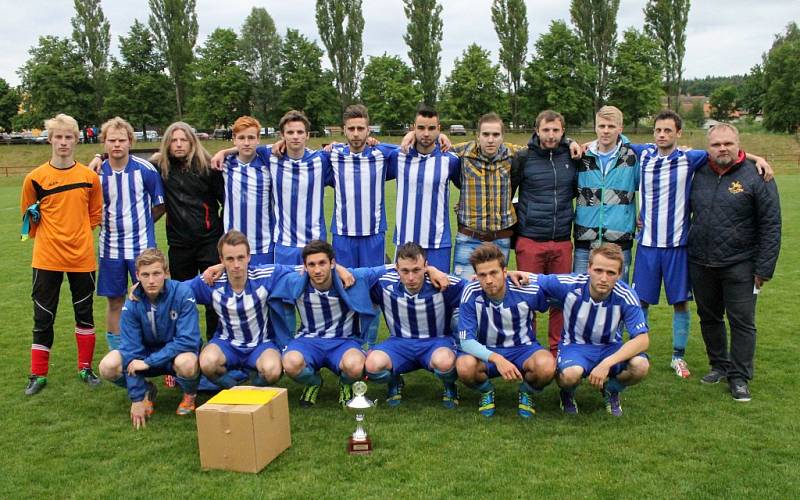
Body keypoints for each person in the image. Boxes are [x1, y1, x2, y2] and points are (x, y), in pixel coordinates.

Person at [631, 110, 773, 379]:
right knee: (641, 302)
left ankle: (678, 357)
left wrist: (758, 158)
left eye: (668, 131)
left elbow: (728, 152)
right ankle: (640, 352)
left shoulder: (690, 158)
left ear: (678, 133)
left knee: (681, 303)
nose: (662, 135)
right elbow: (613, 139)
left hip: (678, 245)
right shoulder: (644, 154)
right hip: (647, 244)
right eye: (658, 130)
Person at [89, 122, 225, 341]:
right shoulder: (160, 166)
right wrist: (100, 156)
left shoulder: (208, 168)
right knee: (177, 299)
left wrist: (219, 231)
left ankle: (215, 343)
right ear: (167, 144)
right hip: (179, 245)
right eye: (173, 140)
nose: (179, 144)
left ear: (192, 141)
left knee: (212, 296)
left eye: (184, 140)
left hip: (209, 241)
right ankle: (185, 345)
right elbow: (121, 154)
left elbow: (225, 202)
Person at [688, 123, 781, 402]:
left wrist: (764, 268)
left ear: (738, 144)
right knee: (709, 317)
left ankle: (739, 376)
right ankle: (718, 365)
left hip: (741, 263)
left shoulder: (757, 175)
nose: (722, 148)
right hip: (701, 261)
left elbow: (771, 225)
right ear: (708, 148)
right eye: (716, 144)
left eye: (728, 143)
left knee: (742, 322)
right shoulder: (698, 171)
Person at [20, 113, 103, 395]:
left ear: (76, 140)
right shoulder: (35, 179)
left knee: (85, 314)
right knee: (43, 317)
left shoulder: (90, 177)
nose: (63, 142)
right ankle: (38, 374)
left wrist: (77, 234)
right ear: (50, 140)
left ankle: (85, 367)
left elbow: (95, 214)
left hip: (82, 258)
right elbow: (26, 224)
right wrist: (36, 223)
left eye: (69, 137)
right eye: (59, 137)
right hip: (46, 258)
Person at [538, 243, 650, 416]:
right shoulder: (571, 284)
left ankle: (611, 390)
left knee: (640, 366)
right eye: (598, 270)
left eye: (611, 273)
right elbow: (535, 279)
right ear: (589, 268)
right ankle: (567, 393)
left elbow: (642, 340)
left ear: (620, 274)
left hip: (610, 348)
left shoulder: (626, 295)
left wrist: (607, 364)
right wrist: (513, 274)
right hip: (575, 346)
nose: (603, 278)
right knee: (569, 375)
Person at [277, 240, 390, 407]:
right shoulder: (296, 280)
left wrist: (429, 269)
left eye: (322, 263)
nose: (317, 270)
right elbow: (269, 270)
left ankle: (345, 384)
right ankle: (313, 382)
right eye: (312, 264)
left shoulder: (353, 277)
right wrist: (222, 267)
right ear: (305, 267)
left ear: (332, 263)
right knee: (290, 363)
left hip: (343, 341)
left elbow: (393, 267)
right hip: (308, 341)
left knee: (355, 366)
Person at [212, 110, 332, 266]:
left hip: (314, 242)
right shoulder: (270, 157)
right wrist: (223, 152)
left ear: (307, 135)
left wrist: (337, 144)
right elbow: (247, 147)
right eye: (290, 132)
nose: (295, 136)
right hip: (283, 244)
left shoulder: (321, 160)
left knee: (316, 286)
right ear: (282, 135)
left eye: (300, 132)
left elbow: (346, 153)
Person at [97, 249, 202, 428]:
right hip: (144, 354)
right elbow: (131, 350)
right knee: (107, 367)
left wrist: (149, 362)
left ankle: (190, 394)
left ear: (166, 273)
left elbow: (188, 340)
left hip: (175, 353)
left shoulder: (183, 293)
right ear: (137, 275)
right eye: (145, 275)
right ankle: (146, 391)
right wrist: (137, 398)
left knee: (188, 363)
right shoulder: (132, 302)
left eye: (156, 273)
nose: (151, 280)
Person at [456, 243, 555, 419]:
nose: (488, 280)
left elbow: (555, 298)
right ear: (476, 275)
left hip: (524, 349)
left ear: (504, 271)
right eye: (482, 275)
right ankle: (486, 391)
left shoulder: (527, 289)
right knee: (464, 367)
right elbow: (466, 341)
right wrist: (498, 359)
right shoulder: (471, 291)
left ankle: (527, 391)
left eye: (493, 273)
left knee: (547, 367)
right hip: (488, 352)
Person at [189, 230, 299, 389]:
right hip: (226, 343)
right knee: (207, 363)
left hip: (262, 344)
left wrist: (338, 269)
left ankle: (254, 384)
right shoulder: (212, 280)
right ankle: (233, 388)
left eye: (240, 258)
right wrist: (141, 288)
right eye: (230, 259)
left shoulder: (265, 275)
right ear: (221, 260)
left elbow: (307, 270)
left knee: (272, 371)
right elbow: (178, 291)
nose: (236, 265)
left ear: (249, 256)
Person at [511, 110, 580, 357]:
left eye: (556, 130)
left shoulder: (572, 157)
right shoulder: (523, 157)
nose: (551, 135)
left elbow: (574, 191)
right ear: (537, 130)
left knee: (560, 300)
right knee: (527, 300)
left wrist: (572, 144)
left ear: (563, 131)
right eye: (546, 130)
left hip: (562, 239)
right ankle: (528, 349)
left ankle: (556, 350)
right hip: (530, 240)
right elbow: (508, 194)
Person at [365, 242, 465, 408]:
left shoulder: (443, 282)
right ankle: (394, 380)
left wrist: (510, 273)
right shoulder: (383, 283)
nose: (411, 277)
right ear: (396, 268)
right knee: (372, 366)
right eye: (405, 271)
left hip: (436, 342)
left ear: (426, 266)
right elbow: (352, 279)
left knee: (445, 362)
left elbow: (479, 288)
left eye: (416, 270)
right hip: (398, 343)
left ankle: (449, 386)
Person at [96, 117, 165, 351]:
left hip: (141, 247)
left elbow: (159, 205)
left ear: (130, 142)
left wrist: (142, 224)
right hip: (110, 247)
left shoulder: (145, 170)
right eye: (112, 140)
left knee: (151, 297)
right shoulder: (97, 173)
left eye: (122, 140)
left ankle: (159, 351)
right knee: (115, 300)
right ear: (104, 143)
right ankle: (118, 352)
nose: (117, 145)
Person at [391, 104, 461, 272]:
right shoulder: (398, 155)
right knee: (404, 292)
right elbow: (369, 147)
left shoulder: (450, 160)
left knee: (438, 291)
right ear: (413, 128)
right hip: (405, 240)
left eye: (431, 128)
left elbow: (466, 186)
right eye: (421, 128)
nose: (426, 133)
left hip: (437, 242)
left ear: (439, 129)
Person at [574, 106, 639, 282]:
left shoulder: (633, 157)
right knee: (581, 295)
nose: (605, 131)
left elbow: (650, 188)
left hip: (618, 241)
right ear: (595, 127)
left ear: (620, 128)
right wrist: (570, 142)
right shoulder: (582, 156)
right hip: (585, 241)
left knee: (617, 298)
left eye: (611, 126)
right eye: (601, 126)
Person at [222, 116, 275, 265]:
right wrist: (223, 153)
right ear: (234, 139)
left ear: (258, 140)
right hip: (232, 248)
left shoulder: (268, 164)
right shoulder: (224, 164)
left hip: (263, 246)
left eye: (251, 138)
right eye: (241, 138)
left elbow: (283, 145)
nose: (246, 142)